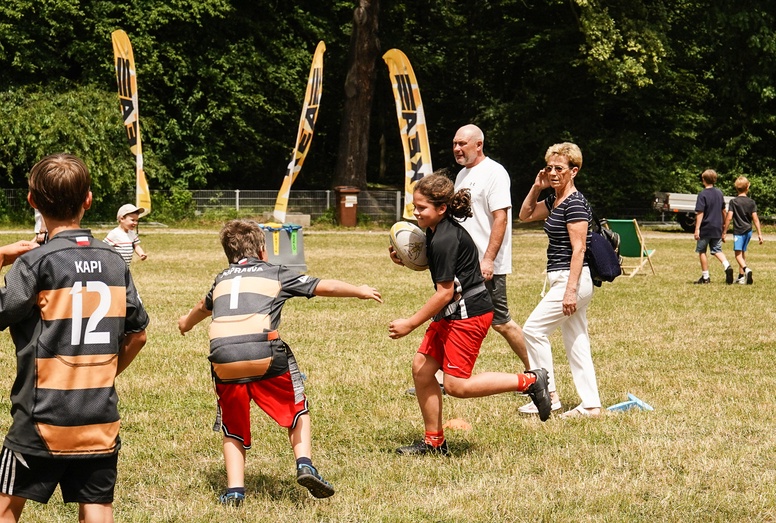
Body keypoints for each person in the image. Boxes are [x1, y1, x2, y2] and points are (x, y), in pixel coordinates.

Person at [177, 219, 382, 505]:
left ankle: (235, 491)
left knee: (232, 425)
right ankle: (305, 464)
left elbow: (202, 307)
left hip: (222, 359)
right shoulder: (275, 272)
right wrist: (359, 290)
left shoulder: (222, 279)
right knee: (297, 407)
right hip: (264, 353)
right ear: (263, 251)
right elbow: (324, 286)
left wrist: (185, 323)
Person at [0, 153, 149, 522]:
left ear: (32, 201)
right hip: (99, 419)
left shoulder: (34, 263)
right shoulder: (114, 261)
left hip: (41, 419)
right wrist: (101, 373)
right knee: (97, 510)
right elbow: (139, 334)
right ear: (88, 200)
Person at [389, 173, 551, 456]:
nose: (416, 212)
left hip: (468, 314)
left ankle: (531, 381)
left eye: (422, 207)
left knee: (457, 386)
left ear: (441, 208)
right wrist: (406, 259)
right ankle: (434, 443)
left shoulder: (444, 237)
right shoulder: (435, 230)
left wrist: (410, 324)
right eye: (415, 206)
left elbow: (444, 292)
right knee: (422, 369)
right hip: (453, 311)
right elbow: (443, 268)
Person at [451, 124, 536, 410]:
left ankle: (539, 374)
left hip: (486, 265)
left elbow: (501, 218)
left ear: (479, 144)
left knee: (500, 321)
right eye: (455, 144)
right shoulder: (462, 175)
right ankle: (440, 376)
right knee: (450, 316)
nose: (457, 149)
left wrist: (488, 259)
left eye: (463, 144)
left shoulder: (495, 172)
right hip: (464, 264)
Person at [518, 142, 601, 418]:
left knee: (533, 330)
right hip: (563, 278)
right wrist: (536, 187)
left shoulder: (574, 203)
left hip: (572, 279)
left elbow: (579, 249)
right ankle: (591, 404)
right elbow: (525, 215)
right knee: (577, 340)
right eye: (549, 168)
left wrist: (570, 291)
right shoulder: (555, 200)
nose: (553, 173)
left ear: (573, 171)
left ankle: (548, 395)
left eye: (559, 169)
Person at [693, 169, 733, 284]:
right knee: (717, 250)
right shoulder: (719, 193)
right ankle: (727, 266)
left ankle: (705, 277)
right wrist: (724, 223)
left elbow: (700, 212)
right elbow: (723, 210)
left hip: (706, 227)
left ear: (703, 180)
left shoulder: (702, 194)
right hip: (717, 227)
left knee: (702, 251)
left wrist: (697, 228)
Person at [722, 176, 763, 284]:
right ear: (747, 187)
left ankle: (746, 270)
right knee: (742, 252)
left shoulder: (734, 202)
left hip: (739, 232)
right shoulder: (751, 202)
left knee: (737, 254)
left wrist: (724, 232)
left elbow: (729, 217)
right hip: (748, 231)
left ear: (736, 188)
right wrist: (759, 234)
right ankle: (741, 277)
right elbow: (755, 219)